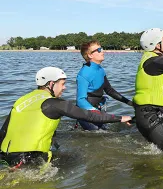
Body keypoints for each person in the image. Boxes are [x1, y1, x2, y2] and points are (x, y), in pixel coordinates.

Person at [0, 67, 131, 168]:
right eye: (62, 84)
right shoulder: (55, 104)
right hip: (29, 159)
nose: (65, 88)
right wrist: (120, 118)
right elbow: (88, 115)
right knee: (78, 160)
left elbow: (3, 131)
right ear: (51, 84)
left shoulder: (21, 100)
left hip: (5, 156)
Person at [76, 40, 133, 131]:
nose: (102, 51)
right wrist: (99, 114)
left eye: (101, 48)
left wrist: (130, 103)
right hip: (86, 114)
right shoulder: (84, 74)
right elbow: (80, 101)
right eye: (98, 50)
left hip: (97, 111)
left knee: (107, 134)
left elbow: (109, 90)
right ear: (90, 55)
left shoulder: (100, 70)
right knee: (101, 137)